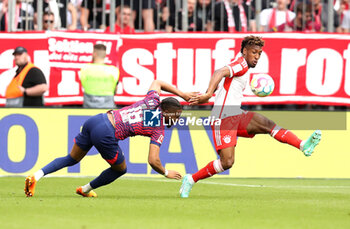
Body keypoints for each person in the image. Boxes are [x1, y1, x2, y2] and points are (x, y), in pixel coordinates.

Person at [179, 35, 322, 198]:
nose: (257, 57)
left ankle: (303, 145)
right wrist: (208, 94)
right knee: (227, 162)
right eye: (254, 52)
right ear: (245, 51)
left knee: (267, 124)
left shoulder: (242, 64)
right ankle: (191, 179)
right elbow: (219, 71)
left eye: (259, 53)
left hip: (235, 114)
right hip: (223, 117)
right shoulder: (240, 64)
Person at [24, 80, 197, 197]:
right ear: (166, 111)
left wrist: (182, 94)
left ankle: (36, 176)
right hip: (107, 133)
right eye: (176, 114)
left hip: (97, 119)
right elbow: (153, 160)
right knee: (120, 169)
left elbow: (158, 82)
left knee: (72, 158)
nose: (177, 118)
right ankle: (85, 190)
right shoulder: (158, 128)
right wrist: (166, 173)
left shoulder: (152, 100)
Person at [79, 44, 119, 108]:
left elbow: (83, 84)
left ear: (94, 54)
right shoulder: (113, 70)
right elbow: (115, 90)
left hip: (89, 106)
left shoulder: (85, 68)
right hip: (108, 107)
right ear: (105, 55)